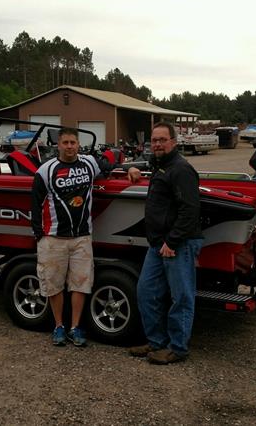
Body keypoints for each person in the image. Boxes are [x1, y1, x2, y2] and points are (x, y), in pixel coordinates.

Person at [127, 121, 203, 364]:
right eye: (154, 140)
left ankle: (177, 349)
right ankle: (156, 342)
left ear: (174, 142)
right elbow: (146, 163)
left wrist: (172, 241)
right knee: (146, 292)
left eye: (162, 140)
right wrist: (133, 168)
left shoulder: (181, 170)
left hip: (177, 244)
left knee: (181, 297)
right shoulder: (160, 165)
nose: (157, 144)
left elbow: (190, 210)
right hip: (158, 244)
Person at [31, 127, 112, 347]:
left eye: (73, 143)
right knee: (53, 284)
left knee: (81, 284)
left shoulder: (89, 163)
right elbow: (35, 204)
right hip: (53, 238)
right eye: (65, 143)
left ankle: (75, 327)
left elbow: (109, 166)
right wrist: (39, 235)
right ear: (58, 145)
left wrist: (131, 168)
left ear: (78, 144)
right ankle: (58, 326)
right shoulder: (46, 170)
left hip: (82, 238)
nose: (69, 146)